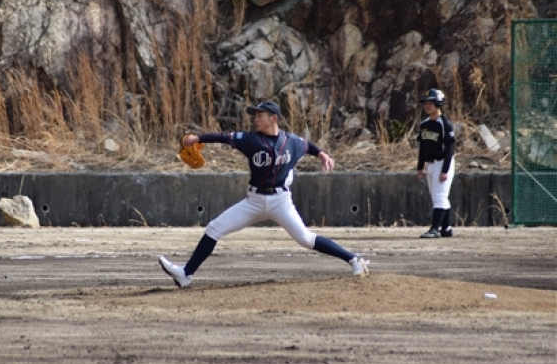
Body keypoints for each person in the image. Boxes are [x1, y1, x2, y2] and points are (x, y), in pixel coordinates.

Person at [158, 100, 370, 288]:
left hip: (281, 201)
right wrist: (196, 138)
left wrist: (322, 154)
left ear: (273, 118)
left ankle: (354, 260)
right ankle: (186, 274)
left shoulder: (291, 142)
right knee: (214, 228)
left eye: (260, 115)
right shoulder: (250, 140)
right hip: (254, 201)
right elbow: (223, 136)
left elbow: (308, 146)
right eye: (255, 115)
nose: (255, 119)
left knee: (306, 239)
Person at [416, 88, 456, 238]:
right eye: (426, 103)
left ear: (438, 103)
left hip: (443, 162)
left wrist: (445, 170)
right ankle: (446, 228)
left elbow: (449, 148)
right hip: (430, 164)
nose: (427, 106)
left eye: (431, 103)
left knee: (440, 196)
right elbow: (423, 147)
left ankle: (434, 229)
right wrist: (420, 167)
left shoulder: (444, 123)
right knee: (437, 197)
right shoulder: (424, 124)